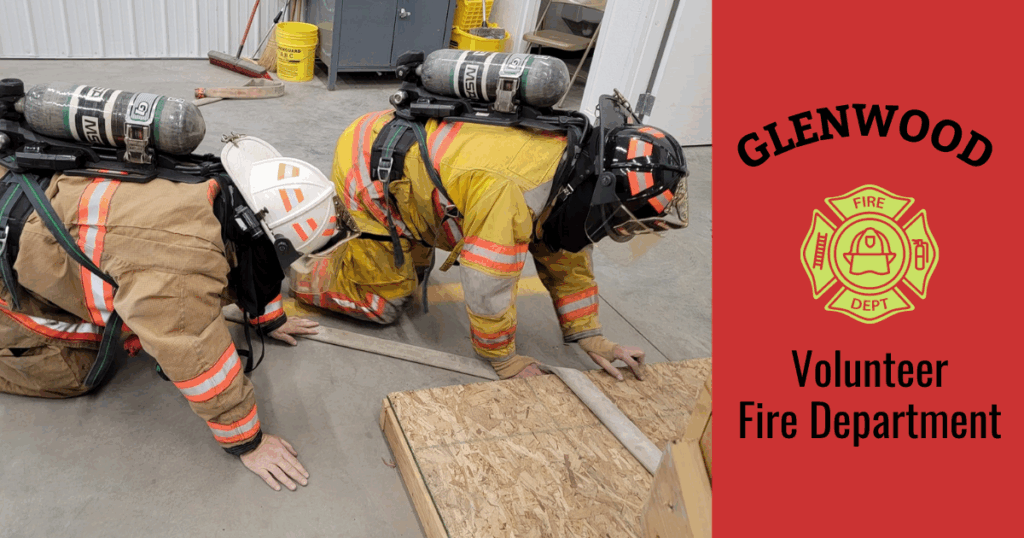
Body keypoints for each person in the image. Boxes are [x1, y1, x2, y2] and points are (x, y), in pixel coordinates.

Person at [0, 134, 352, 492]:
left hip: (30, 193)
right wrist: (249, 442)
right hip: (10, 273)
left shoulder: (218, 192)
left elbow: (255, 266)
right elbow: (196, 354)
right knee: (70, 368)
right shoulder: (182, 263)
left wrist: (268, 318)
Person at [292, 95, 688, 380]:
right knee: (383, 302)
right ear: (601, 190)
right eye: (625, 218)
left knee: (413, 266)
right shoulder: (515, 191)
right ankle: (301, 265)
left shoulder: (571, 169)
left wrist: (592, 337)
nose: (625, 229)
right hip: (370, 162)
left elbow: (565, 255)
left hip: (416, 168)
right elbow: (486, 283)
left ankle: (399, 243)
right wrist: (503, 358)